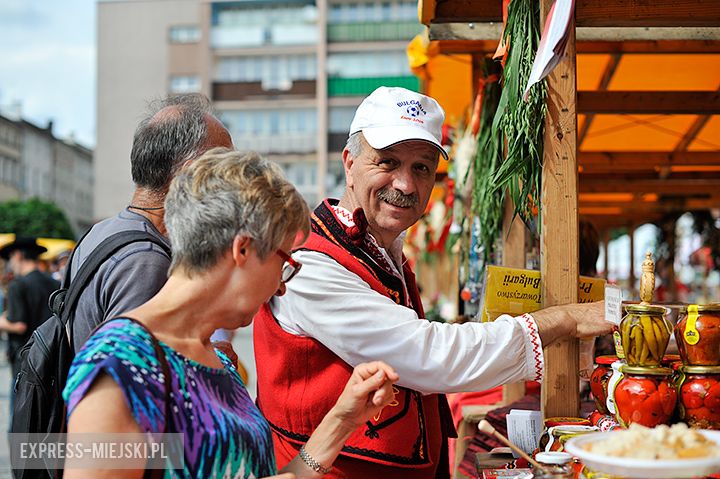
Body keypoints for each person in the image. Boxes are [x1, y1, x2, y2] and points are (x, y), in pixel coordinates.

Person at [254, 86, 614, 479]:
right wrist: (561, 320)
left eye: (421, 168)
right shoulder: (314, 264)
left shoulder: (380, 252)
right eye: (388, 162)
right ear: (349, 163)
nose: (406, 184)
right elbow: (427, 354)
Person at [63, 149, 399, 478]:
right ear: (244, 250)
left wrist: (343, 419)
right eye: (284, 263)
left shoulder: (215, 357)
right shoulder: (119, 363)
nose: (281, 287)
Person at [69, 93, 233, 352]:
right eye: (225, 167)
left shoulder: (100, 232)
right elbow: (127, 377)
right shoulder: (146, 261)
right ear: (190, 172)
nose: (231, 182)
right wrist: (209, 363)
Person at [0, 237, 60, 411]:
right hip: (50, 358)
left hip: (24, 361)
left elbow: (19, 325)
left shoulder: (18, 285)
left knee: (19, 422)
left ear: (17, 255)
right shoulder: (54, 282)